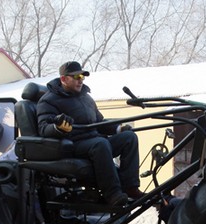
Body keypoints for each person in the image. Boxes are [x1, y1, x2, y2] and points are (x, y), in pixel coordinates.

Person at [36, 61, 142, 206]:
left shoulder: (86, 98)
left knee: (129, 138)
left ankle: (130, 187)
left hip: (94, 140)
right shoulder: (48, 101)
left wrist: (119, 128)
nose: (81, 80)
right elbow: (43, 128)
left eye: (82, 76)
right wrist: (58, 127)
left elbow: (99, 122)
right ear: (64, 79)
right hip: (73, 145)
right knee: (101, 144)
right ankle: (112, 194)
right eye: (76, 77)